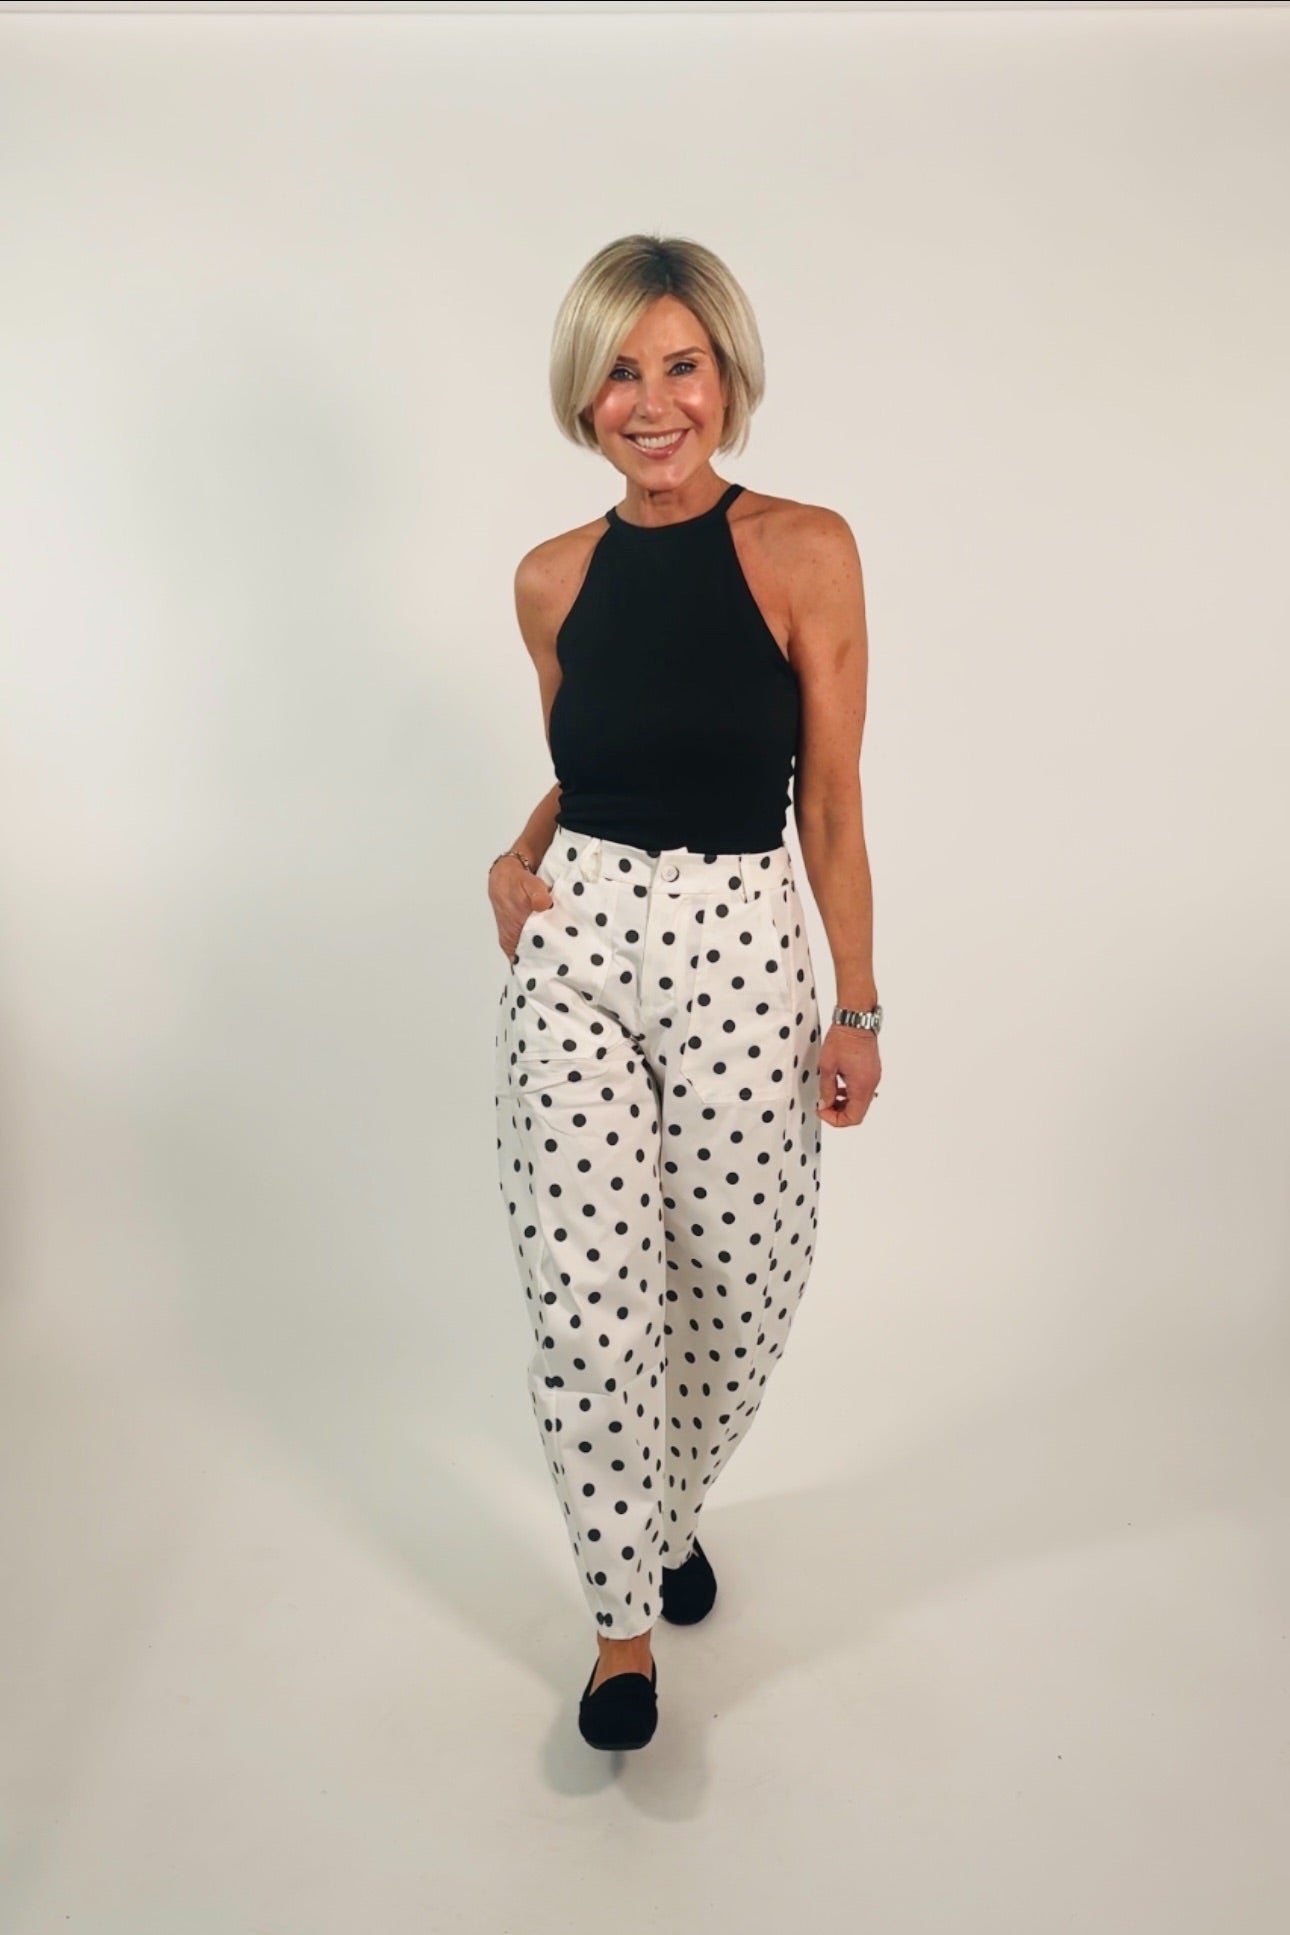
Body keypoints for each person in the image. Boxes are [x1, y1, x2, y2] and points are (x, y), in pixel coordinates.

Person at [488, 234, 881, 1751]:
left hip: (738, 942)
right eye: (618, 373)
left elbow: (827, 799)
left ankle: (664, 1512)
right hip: (577, 949)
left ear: (725, 375)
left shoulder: (805, 548)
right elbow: (594, 760)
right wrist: (518, 853)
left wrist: (857, 1006)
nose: (651, 404)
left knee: (736, 1276)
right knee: (590, 1301)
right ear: (581, 395)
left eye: (679, 366)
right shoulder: (550, 579)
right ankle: (620, 1636)